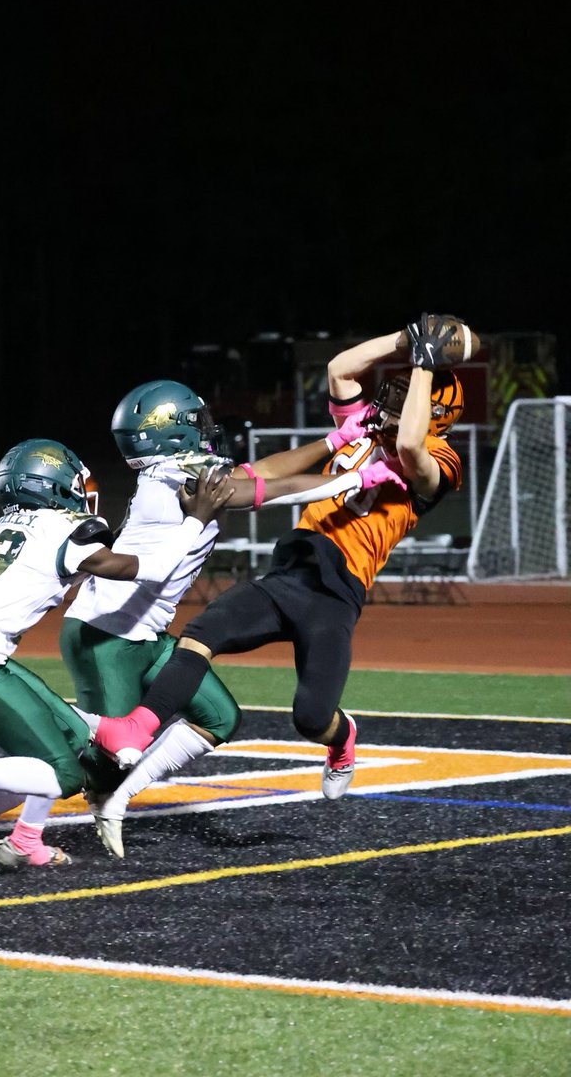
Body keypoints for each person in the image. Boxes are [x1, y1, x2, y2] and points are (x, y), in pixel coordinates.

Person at [0, 381, 405, 862]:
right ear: (168, 432)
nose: (206, 430)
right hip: (108, 635)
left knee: (218, 716)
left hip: (142, 630)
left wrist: (335, 442)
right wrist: (355, 478)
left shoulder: (180, 470)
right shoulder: (180, 476)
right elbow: (272, 489)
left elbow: (260, 471)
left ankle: (113, 798)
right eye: (195, 422)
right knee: (99, 766)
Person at [91, 316, 466, 832]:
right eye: (396, 390)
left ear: (436, 414)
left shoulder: (439, 459)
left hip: (337, 594)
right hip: (292, 567)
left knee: (311, 717)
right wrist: (407, 340)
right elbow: (340, 368)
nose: (393, 399)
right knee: (204, 631)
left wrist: (425, 363)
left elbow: (408, 448)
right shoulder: (363, 430)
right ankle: (139, 725)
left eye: (409, 394)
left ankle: (341, 738)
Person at [0, 436, 234, 869]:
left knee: (75, 738)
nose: (83, 490)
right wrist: (196, 521)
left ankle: (27, 841)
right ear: (52, 485)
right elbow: (152, 571)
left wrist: (110, 727)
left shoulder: (5, 528)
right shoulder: (64, 531)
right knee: (63, 773)